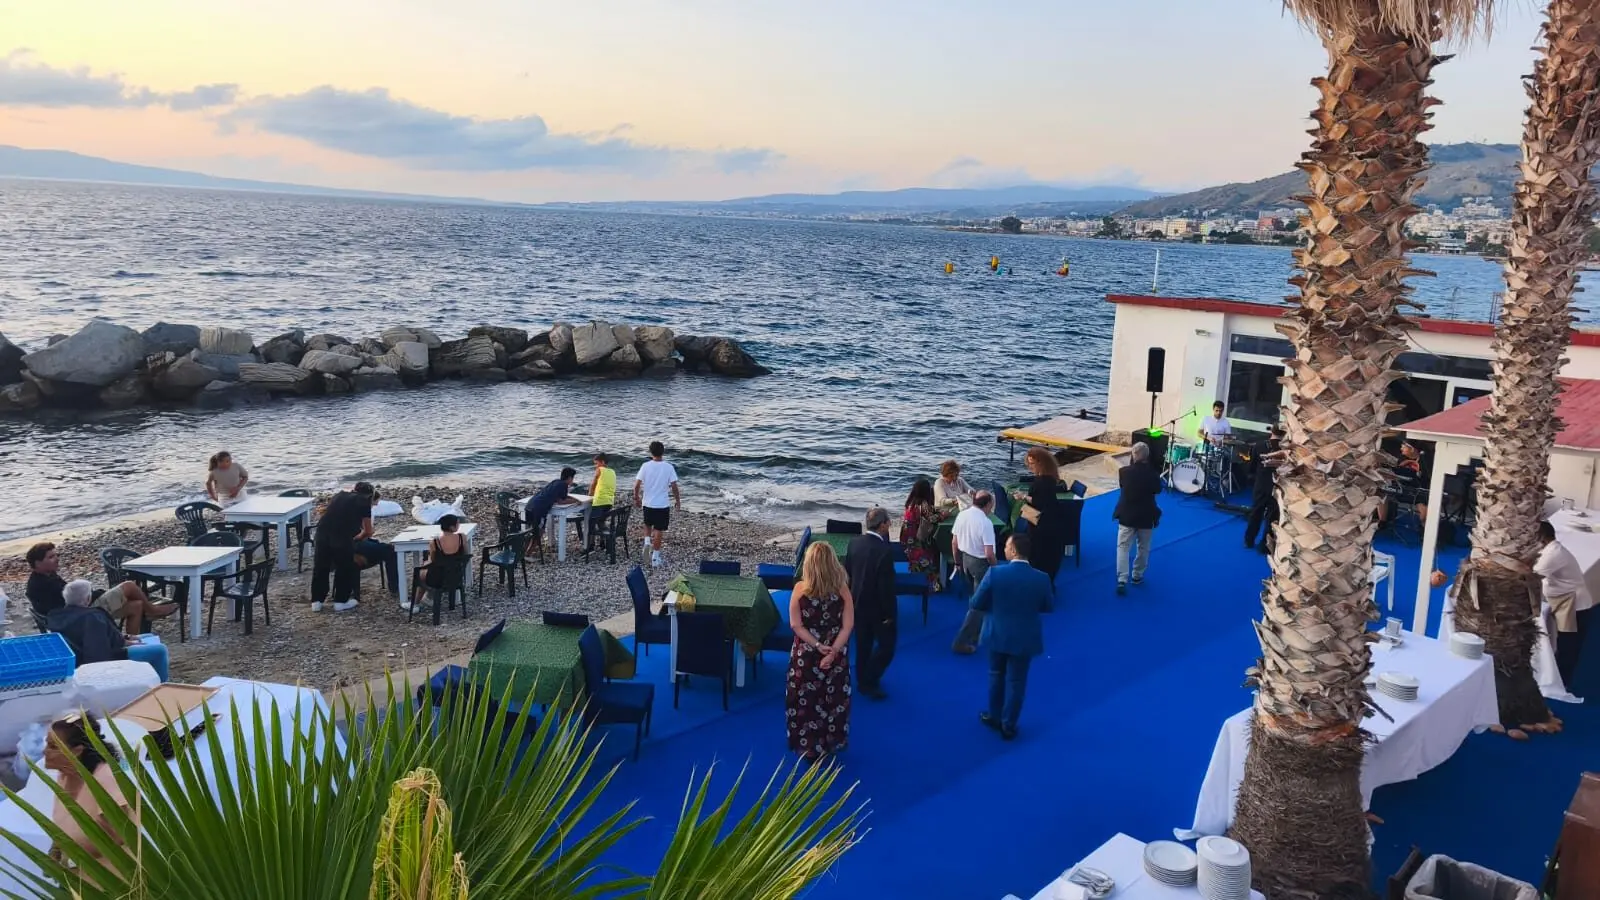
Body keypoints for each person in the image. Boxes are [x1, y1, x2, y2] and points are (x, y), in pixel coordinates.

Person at [971, 533, 1053, 740]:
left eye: (1007, 546)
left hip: (996, 633)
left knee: (996, 674)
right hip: (1024, 637)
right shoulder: (1042, 578)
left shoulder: (995, 574)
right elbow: (1047, 606)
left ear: (1014, 550)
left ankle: (994, 716)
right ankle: (1009, 725)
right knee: (1017, 682)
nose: (1004, 549)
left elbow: (976, 603)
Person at [785, 542, 854, 761]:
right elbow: (848, 625)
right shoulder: (843, 590)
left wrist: (816, 645)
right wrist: (833, 651)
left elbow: (796, 625)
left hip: (806, 653)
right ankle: (832, 740)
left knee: (805, 697)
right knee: (833, 697)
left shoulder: (799, 590)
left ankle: (808, 745)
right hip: (836, 649)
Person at [43, 712, 136, 872]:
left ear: (77, 750)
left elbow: (131, 842)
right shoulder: (66, 774)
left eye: (53, 747)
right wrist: (56, 850)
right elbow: (66, 819)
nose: (44, 752)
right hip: (80, 871)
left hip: (113, 877)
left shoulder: (107, 783)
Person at [24, 542, 175, 635]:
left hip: (76, 613)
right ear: (37, 563)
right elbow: (73, 602)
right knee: (129, 586)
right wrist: (95, 594)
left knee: (136, 606)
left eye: (56, 555)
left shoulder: (46, 577)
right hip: (81, 615)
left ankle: (132, 642)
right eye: (51, 557)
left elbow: (71, 596)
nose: (56, 559)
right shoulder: (44, 584)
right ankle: (153, 611)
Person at [47, 580, 170, 681]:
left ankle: (147, 678)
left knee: (148, 636)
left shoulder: (57, 616)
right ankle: (162, 687)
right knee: (160, 650)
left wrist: (125, 638)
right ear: (88, 599)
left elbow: (92, 637)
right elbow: (100, 647)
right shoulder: (92, 617)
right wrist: (124, 642)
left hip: (80, 657)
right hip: (104, 661)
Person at [1535, 521, 1594, 691]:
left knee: (1569, 644)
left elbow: (1531, 576)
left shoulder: (1553, 554)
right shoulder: (1549, 549)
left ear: (1542, 538)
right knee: (1565, 641)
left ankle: (1562, 681)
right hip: (1564, 600)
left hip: (1575, 605)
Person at [845, 507, 897, 700]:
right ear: (882, 525)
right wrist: (889, 614)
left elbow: (848, 573)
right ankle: (869, 679)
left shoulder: (854, 543)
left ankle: (861, 679)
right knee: (887, 647)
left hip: (857, 603)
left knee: (863, 645)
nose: (890, 524)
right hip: (877, 608)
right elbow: (886, 587)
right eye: (888, 522)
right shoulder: (884, 551)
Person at [311, 482, 387, 613]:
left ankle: (317, 602)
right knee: (344, 566)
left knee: (321, 566)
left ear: (355, 489)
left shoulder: (339, 495)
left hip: (322, 533)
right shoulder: (364, 501)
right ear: (370, 494)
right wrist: (357, 538)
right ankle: (341, 601)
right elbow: (368, 531)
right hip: (342, 536)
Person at [1012, 447, 1068, 589]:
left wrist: (1023, 500)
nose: (1030, 467)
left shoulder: (1041, 482)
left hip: (1042, 528)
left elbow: (1038, 503)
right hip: (1049, 524)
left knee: (1040, 557)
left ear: (1041, 463)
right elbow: (1041, 500)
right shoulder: (1048, 480)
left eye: (1032, 463)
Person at [950, 491, 999, 654]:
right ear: (988, 504)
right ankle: (961, 641)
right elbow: (989, 553)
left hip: (965, 560)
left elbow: (954, 542)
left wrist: (957, 561)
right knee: (979, 604)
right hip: (980, 564)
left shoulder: (962, 515)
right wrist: (995, 568)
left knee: (974, 597)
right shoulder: (985, 523)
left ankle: (975, 634)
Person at [1112, 442, 1163, 595]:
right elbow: (1158, 490)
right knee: (1143, 547)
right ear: (1147, 457)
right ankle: (1137, 575)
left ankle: (1122, 578)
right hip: (1146, 515)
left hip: (1127, 515)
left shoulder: (1124, 472)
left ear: (1133, 456)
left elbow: (1123, 486)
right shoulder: (1153, 475)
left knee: (1123, 547)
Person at [408, 514, 469, 613]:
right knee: (426, 569)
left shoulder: (435, 542)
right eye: (457, 523)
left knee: (421, 572)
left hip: (438, 578)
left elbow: (433, 560)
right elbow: (465, 554)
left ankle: (416, 603)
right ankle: (428, 598)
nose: (459, 525)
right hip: (456, 575)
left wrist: (426, 563)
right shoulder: (462, 537)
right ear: (452, 527)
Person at [634, 441, 681, 569]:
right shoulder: (668, 467)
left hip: (648, 503)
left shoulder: (645, 466)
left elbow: (637, 485)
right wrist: (678, 500)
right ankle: (655, 557)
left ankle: (647, 543)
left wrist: (636, 497)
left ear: (651, 452)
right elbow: (674, 486)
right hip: (662, 504)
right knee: (659, 530)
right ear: (663, 452)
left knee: (648, 524)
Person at [1244, 425, 1286, 552]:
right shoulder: (1286, 449)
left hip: (1261, 485)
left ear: (1271, 431)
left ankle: (1249, 540)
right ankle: (1265, 545)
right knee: (1273, 516)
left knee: (1256, 512)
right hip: (1278, 486)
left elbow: (1251, 467)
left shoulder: (1259, 445)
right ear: (1284, 434)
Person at [900, 478, 945, 587]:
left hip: (906, 536)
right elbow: (931, 518)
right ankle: (933, 586)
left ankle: (914, 580)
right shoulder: (923, 504)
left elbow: (928, 511)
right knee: (926, 559)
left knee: (913, 558)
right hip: (918, 537)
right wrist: (943, 515)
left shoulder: (910, 502)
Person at [526, 467, 582, 547]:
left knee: (531, 531)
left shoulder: (556, 482)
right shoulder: (564, 485)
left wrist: (574, 499)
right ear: (570, 478)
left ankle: (524, 550)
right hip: (539, 509)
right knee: (539, 531)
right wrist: (575, 501)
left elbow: (561, 497)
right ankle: (528, 552)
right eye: (573, 478)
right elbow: (561, 501)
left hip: (530, 505)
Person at [586, 452, 617, 552]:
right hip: (609, 501)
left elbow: (594, 482)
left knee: (591, 523)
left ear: (602, 462)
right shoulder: (612, 472)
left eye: (596, 463)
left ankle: (590, 546)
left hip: (599, 501)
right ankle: (603, 543)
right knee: (601, 521)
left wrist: (590, 494)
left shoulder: (600, 470)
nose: (596, 466)